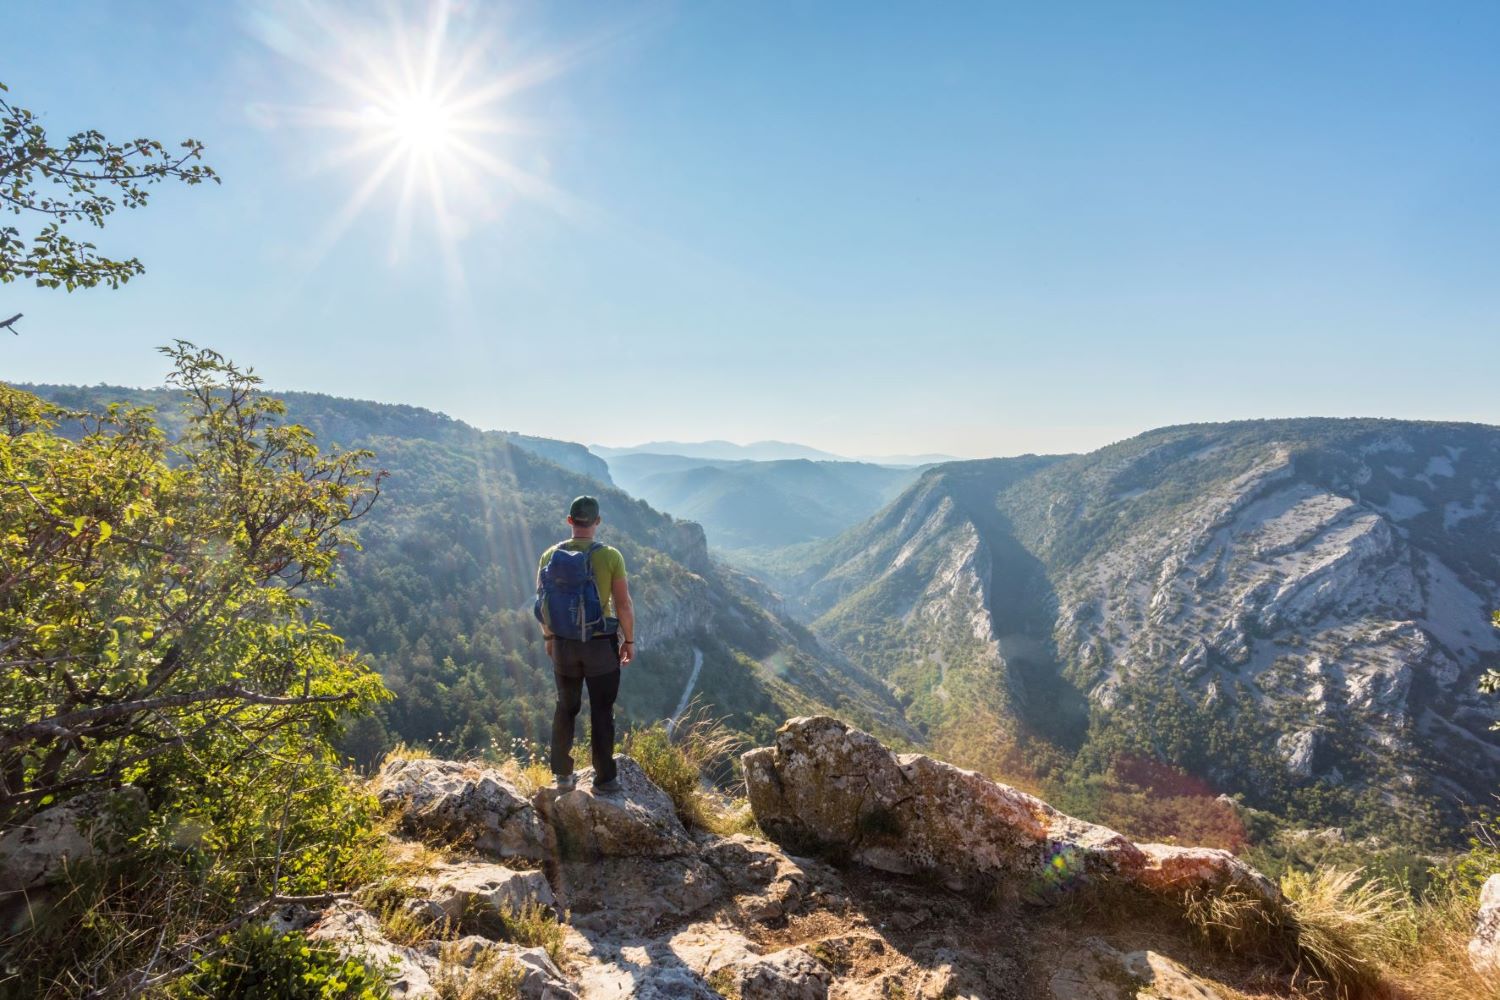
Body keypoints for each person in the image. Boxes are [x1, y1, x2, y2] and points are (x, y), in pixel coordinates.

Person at [537, 495, 635, 794]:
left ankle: (563, 777)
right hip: (600, 645)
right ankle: (605, 778)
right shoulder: (610, 556)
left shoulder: (549, 556)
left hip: (565, 644)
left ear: (569, 521)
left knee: (565, 708)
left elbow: (542, 604)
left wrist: (550, 637)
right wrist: (629, 640)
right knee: (602, 711)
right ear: (597, 522)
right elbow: (623, 604)